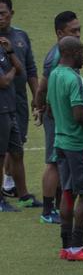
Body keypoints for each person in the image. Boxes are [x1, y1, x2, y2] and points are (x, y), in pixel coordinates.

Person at [45, 36, 83, 261]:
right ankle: (77, 247)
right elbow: (79, 115)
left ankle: (66, 246)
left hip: (60, 142)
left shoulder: (54, 75)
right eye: (82, 52)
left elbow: (49, 110)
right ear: (72, 53)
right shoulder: (74, 79)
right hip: (79, 145)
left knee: (68, 191)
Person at [32, 10, 80, 224]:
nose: (78, 34)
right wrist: (40, 108)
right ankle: (47, 211)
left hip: (61, 114)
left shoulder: (68, 52)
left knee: (60, 161)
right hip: (55, 115)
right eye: (73, 30)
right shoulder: (56, 58)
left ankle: (60, 206)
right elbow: (42, 88)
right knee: (53, 161)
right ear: (60, 33)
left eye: (79, 30)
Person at [0, 0, 40, 210]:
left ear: (11, 14)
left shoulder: (20, 36)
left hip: (19, 102)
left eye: (2, 13)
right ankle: (6, 188)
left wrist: (37, 96)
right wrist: (16, 67)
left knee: (16, 147)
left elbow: (31, 69)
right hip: (1, 104)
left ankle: (16, 190)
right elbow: (8, 79)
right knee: (2, 149)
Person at [0, 14, 23, 213]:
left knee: (16, 152)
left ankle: (23, 196)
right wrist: (14, 70)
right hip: (0, 111)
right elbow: (4, 81)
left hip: (10, 108)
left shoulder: (3, 46)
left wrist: (10, 51)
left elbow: (21, 68)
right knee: (0, 156)